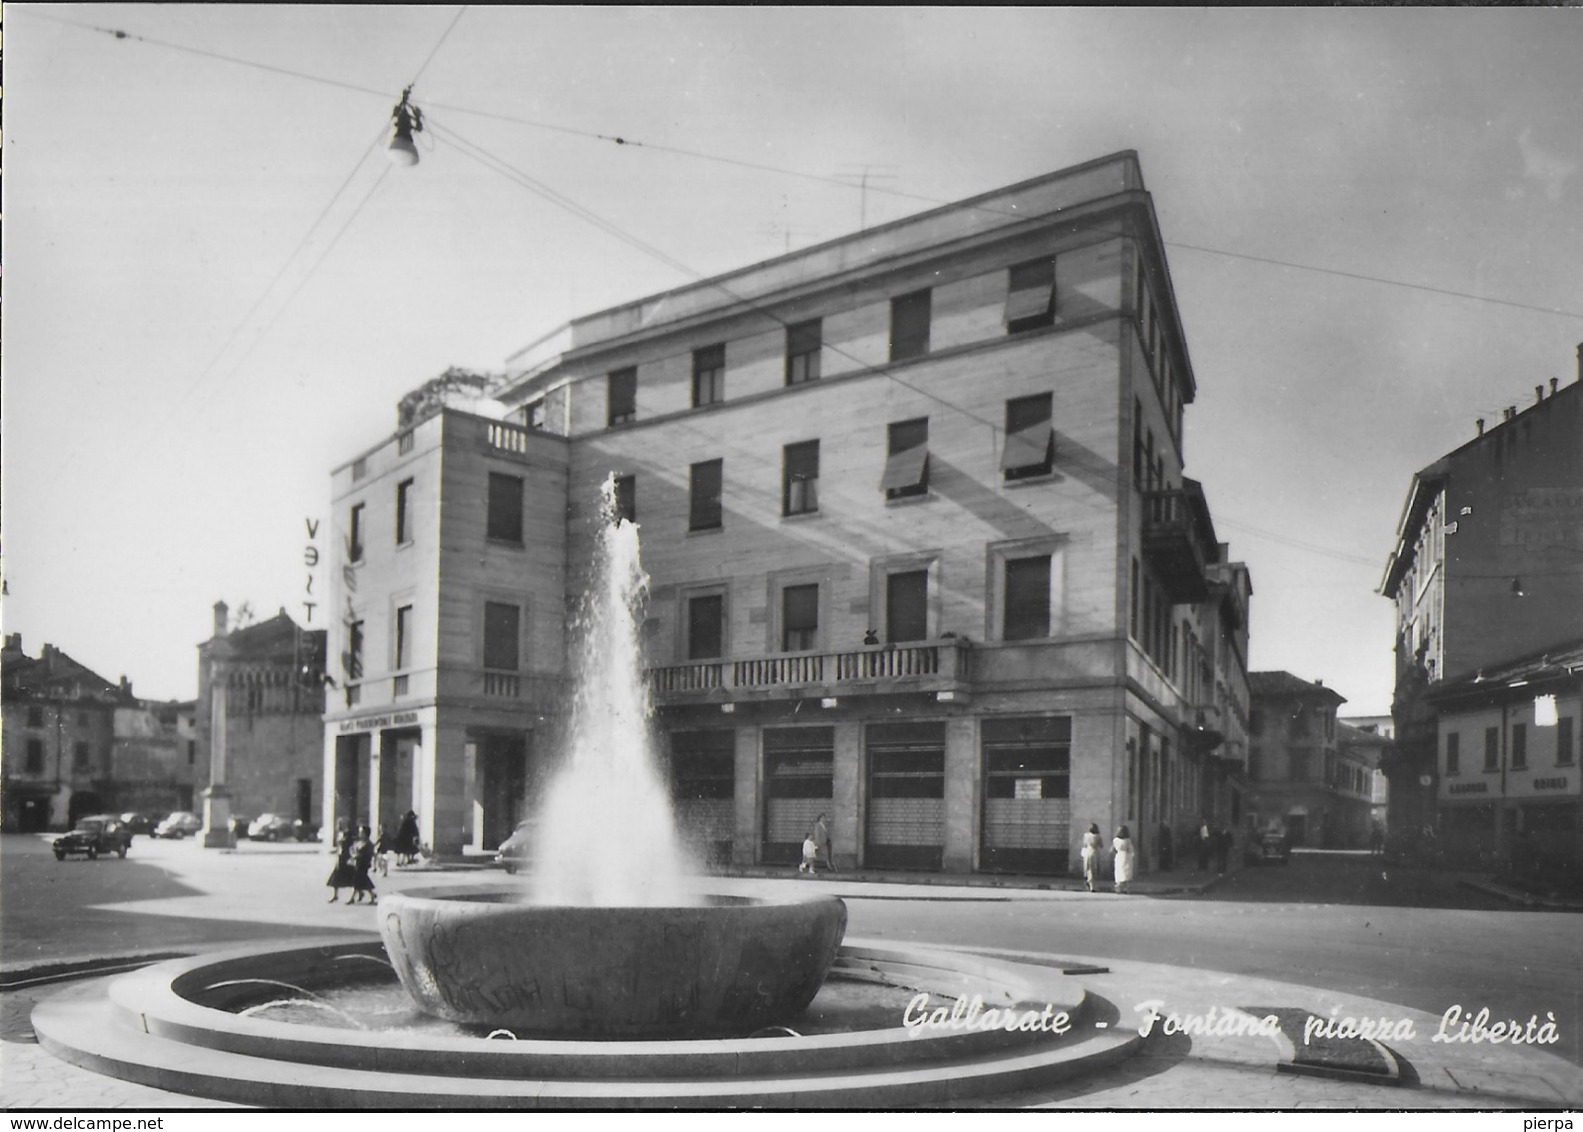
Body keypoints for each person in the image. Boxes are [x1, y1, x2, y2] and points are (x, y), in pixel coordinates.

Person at [325, 823, 356, 903]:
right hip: (341, 859)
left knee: (351, 878)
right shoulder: (342, 836)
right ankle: (335, 895)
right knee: (336, 877)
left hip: (345, 859)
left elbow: (346, 848)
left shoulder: (347, 838)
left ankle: (358, 892)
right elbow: (340, 848)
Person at [349, 823, 378, 905]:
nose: (360, 833)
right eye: (359, 832)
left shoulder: (369, 844)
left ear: (366, 833)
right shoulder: (358, 842)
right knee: (363, 880)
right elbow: (352, 849)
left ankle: (352, 898)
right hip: (357, 863)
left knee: (358, 880)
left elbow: (370, 854)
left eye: (361, 832)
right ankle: (372, 895)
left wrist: (358, 856)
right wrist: (353, 854)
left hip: (363, 864)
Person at [1112, 825, 1135, 894]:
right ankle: (1125, 888)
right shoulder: (1127, 840)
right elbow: (1130, 849)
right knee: (1126, 871)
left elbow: (1113, 849)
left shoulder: (1115, 840)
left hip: (1118, 856)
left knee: (1119, 871)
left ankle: (1118, 886)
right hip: (1126, 856)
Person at [1080, 823, 1103, 892]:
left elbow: (1084, 844)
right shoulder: (1098, 836)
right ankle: (1092, 885)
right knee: (1093, 870)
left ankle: (1088, 881)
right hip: (1094, 852)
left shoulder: (1086, 836)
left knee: (1088, 868)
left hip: (1087, 852)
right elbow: (1101, 845)